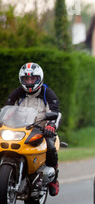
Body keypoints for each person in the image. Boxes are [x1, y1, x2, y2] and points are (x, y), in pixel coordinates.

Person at [5, 62, 62, 196]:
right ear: (22, 80)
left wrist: (51, 125)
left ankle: (53, 178)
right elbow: (7, 110)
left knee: (50, 146)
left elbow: (56, 112)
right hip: (18, 130)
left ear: (39, 78)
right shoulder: (17, 93)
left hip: (40, 130)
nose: (30, 82)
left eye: (33, 79)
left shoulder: (47, 93)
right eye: (27, 79)